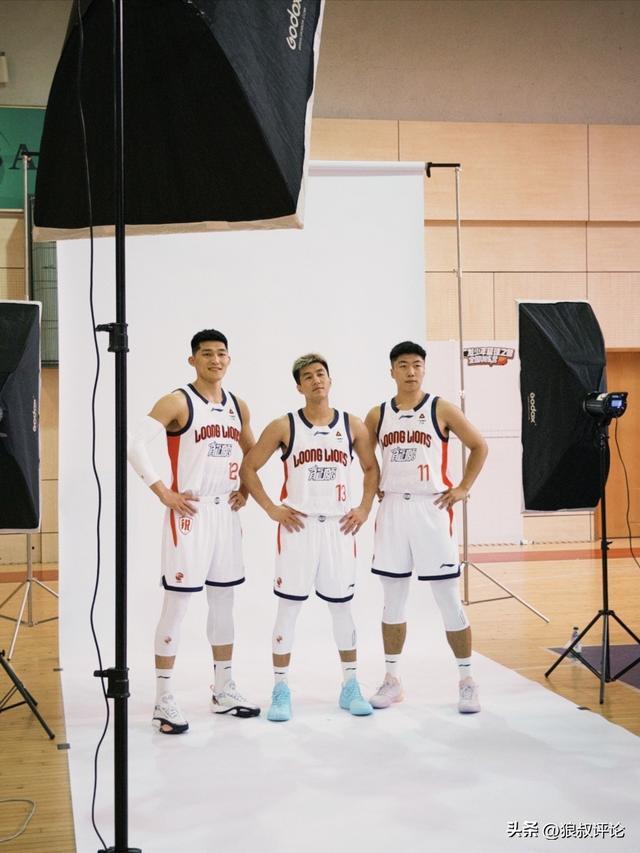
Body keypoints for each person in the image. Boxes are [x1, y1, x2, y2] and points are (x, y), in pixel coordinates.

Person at [128, 329, 260, 734]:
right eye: (206, 354)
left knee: (223, 604)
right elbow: (133, 443)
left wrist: (245, 490)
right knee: (178, 604)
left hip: (226, 515)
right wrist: (162, 491)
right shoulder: (178, 401)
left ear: (229, 359)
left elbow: (252, 454)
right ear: (193, 360)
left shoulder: (238, 405)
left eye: (221, 354)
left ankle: (223, 689)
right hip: (190, 513)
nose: (215, 360)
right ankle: (164, 698)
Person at [240, 353, 379, 722]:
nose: (316, 380)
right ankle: (280, 688)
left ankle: (350, 684)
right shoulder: (283, 426)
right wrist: (271, 508)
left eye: (321, 374)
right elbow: (248, 467)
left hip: (338, 526)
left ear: (330, 380)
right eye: (308, 376)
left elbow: (371, 468)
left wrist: (364, 507)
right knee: (288, 609)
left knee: (342, 608)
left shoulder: (352, 425)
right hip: (297, 528)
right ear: (299, 387)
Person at [364, 341, 488, 713]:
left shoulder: (441, 408)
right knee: (393, 599)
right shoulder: (377, 414)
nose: (411, 371)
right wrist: (373, 488)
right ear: (392, 371)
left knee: (448, 598)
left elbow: (479, 446)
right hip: (392, 509)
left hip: (431, 507)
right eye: (403, 365)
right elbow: (366, 460)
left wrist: (463, 487)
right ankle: (392, 680)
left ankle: (467, 681)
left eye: (417, 364)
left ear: (424, 368)